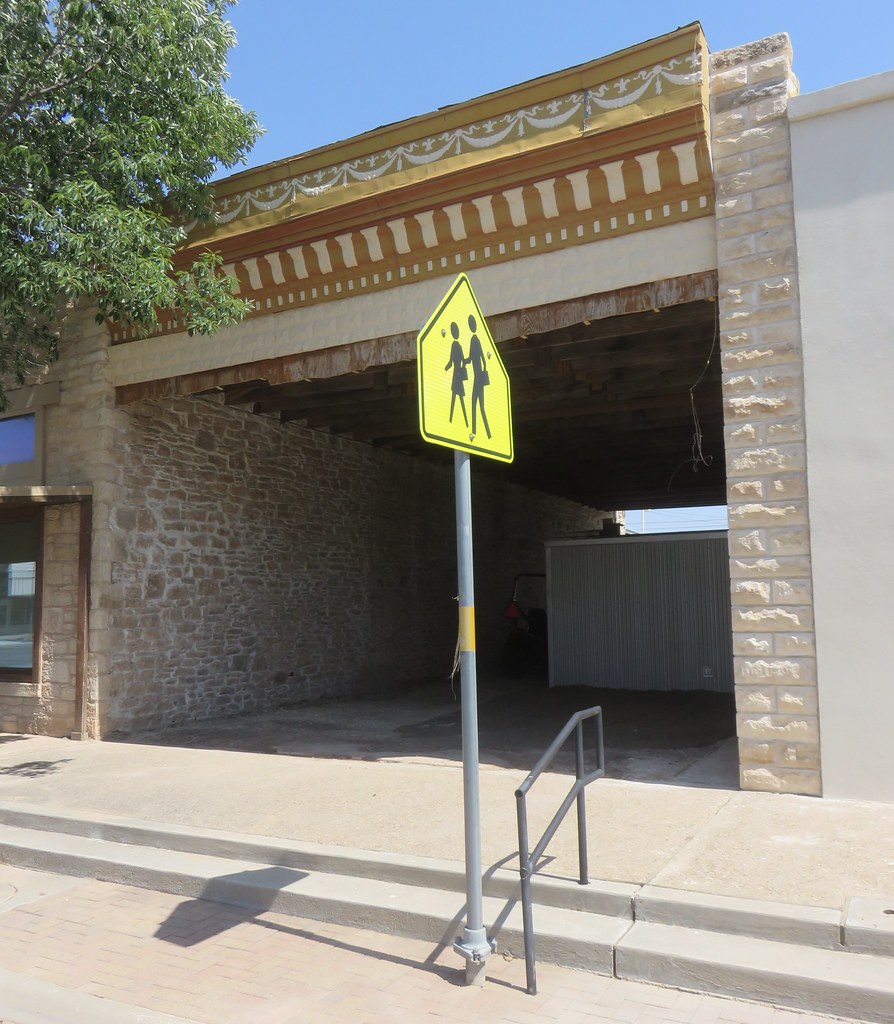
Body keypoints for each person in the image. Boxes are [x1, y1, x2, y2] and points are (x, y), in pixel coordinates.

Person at [464, 314, 491, 440]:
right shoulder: (474, 340)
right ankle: (485, 432)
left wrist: (482, 372)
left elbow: (479, 357)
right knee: (478, 405)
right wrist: (464, 361)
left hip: (478, 377)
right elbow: (477, 358)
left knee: (476, 404)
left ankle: (477, 432)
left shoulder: (474, 340)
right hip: (478, 377)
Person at [444, 321, 468, 426]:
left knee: (455, 397)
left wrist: (444, 369)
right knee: (458, 398)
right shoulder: (459, 346)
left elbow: (451, 361)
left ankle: (451, 420)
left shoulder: (455, 345)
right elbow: (463, 360)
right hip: (458, 374)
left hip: (456, 374)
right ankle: (464, 422)